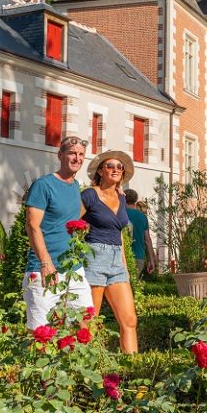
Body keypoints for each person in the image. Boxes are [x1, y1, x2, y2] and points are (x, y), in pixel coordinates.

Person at [23, 136, 94, 330]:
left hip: (73, 269)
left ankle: (80, 362)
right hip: (43, 270)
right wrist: (46, 263)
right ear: (60, 155)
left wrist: (117, 189)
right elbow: (32, 225)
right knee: (40, 335)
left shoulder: (75, 186)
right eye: (72, 153)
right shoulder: (43, 185)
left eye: (81, 155)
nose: (77, 158)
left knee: (87, 324)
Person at [82, 150, 138, 353]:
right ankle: (84, 371)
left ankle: (132, 367)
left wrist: (124, 266)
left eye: (119, 167)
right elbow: (71, 224)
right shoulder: (90, 195)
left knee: (129, 320)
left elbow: (119, 233)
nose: (115, 169)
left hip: (117, 261)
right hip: (94, 256)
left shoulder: (121, 198)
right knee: (89, 321)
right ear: (100, 170)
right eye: (110, 166)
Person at [124, 189, 157, 277]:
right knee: (133, 286)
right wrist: (151, 260)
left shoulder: (120, 213)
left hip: (123, 256)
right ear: (135, 200)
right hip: (139, 257)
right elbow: (147, 240)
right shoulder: (143, 217)